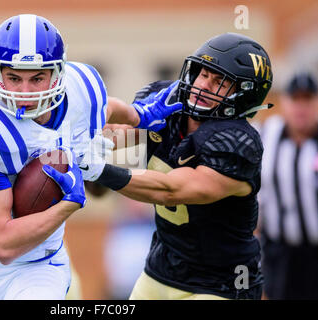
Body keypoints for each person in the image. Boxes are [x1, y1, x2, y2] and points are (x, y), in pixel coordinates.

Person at [0, 14, 177, 300]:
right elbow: (3, 245)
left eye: (37, 78)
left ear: (58, 74)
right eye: (14, 78)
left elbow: (105, 108)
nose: (25, 92)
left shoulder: (82, 87)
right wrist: (68, 205)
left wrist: (139, 115)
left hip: (41, 263)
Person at [88, 33, 274, 299]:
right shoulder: (169, 103)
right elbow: (116, 132)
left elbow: (170, 190)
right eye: (203, 74)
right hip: (161, 271)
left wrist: (99, 170)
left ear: (244, 94)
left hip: (221, 285)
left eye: (220, 81)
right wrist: (78, 139)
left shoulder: (238, 141)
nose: (205, 85)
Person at [258, 71, 318, 299]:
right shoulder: (264, 135)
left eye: (308, 99)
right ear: (284, 102)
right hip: (278, 253)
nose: (301, 107)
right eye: (296, 99)